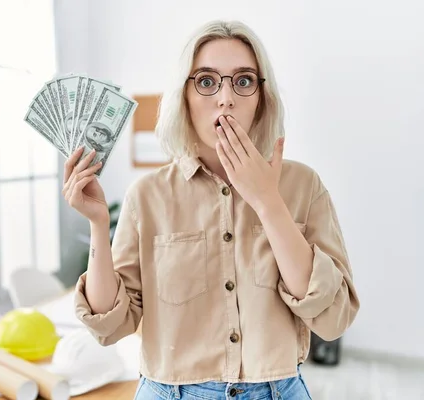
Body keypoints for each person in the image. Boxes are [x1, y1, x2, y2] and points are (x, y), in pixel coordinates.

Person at [62, 19, 360, 400]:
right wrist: (98, 225)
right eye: (206, 81)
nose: (225, 98)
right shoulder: (147, 195)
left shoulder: (304, 186)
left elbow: (333, 319)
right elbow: (111, 326)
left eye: (243, 80)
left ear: (262, 97)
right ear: (183, 97)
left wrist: (269, 203)